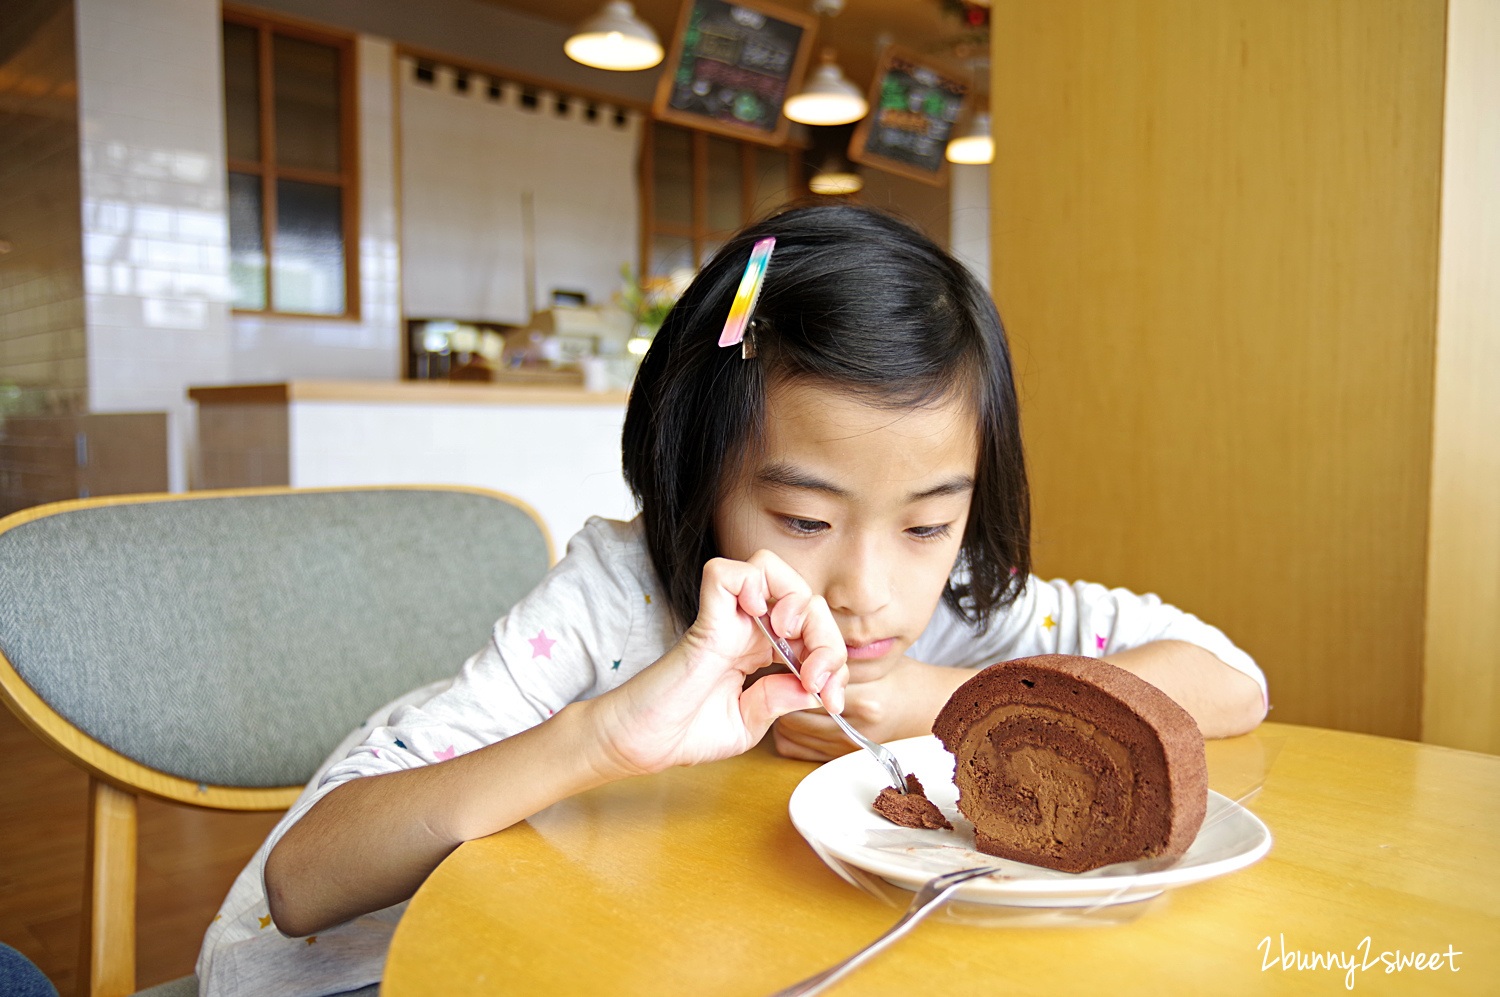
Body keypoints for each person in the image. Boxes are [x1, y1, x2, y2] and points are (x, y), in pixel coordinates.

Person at [197, 203, 1267, 996]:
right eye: (804, 521)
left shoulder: (968, 610)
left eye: (928, 522)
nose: (869, 590)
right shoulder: (616, 609)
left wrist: (940, 694)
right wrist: (604, 740)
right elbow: (302, 882)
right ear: (695, 472)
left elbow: (1229, 678)